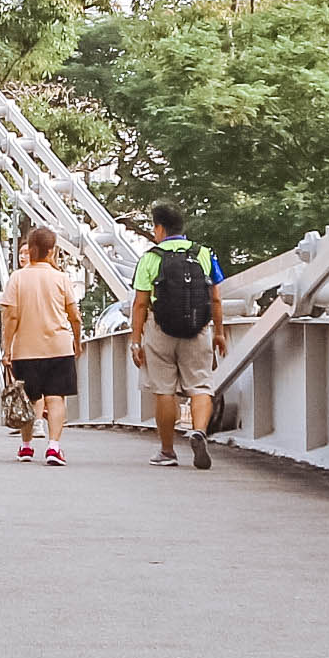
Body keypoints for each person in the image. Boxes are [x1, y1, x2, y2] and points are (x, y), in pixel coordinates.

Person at [133, 201, 226, 469]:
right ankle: (198, 431)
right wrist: (218, 333)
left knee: (164, 390)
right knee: (200, 386)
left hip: (160, 329)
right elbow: (216, 298)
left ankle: (167, 450)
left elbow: (140, 304)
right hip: (198, 329)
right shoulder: (204, 254)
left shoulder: (150, 258)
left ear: (160, 228)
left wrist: (135, 340)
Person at [0, 224, 81, 464]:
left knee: (29, 398)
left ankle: (26, 446)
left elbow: (11, 317)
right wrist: (77, 340)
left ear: (31, 250)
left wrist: (7, 348)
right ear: (52, 251)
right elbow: (74, 316)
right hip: (59, 347)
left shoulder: (17, 278)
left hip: (25, 350)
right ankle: (54, 447)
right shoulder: (61, 279)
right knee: (56, 398)